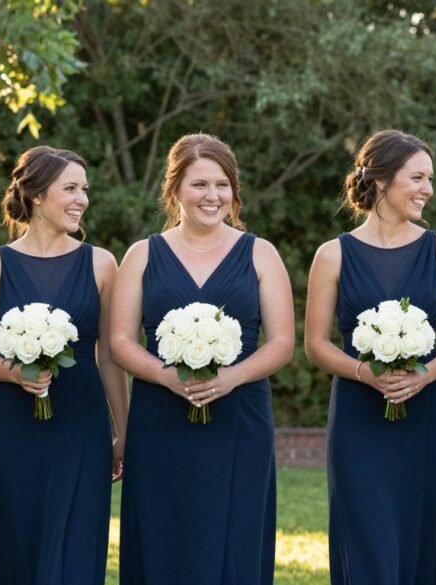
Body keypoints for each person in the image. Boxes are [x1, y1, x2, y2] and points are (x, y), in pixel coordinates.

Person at [112, 133, 294, 585]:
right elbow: (118, 340)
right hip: (160, 420)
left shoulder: (260, 253)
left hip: (240, 419)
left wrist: (231, 378)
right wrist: (167, 376)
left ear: (234, 192)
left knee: (236, 534)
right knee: (163, 534)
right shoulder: (141, 255)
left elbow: (283, 342)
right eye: (199, 184)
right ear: (174, 190)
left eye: (222, 184)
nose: (212, 196)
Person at [304, 129, 436, 584]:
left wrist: (423, 375)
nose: (427, 190)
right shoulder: (333, 254)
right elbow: (315, 343)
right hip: (359, 419)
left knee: (422, 539)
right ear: (380, 181)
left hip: (426, 416)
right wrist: (364, 373)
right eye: (417, 178)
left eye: (431, 180)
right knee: (366, 539)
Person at [0, 146, 128, 584]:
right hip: (15, 428)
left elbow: (110, 357)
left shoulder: (102, 264)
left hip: (81, 424)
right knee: (15, 541)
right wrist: (15, 373)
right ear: (37, 195)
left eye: (85, 190)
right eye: (70, 188)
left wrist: (124, 432)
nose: (82, 199)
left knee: (77, 546)